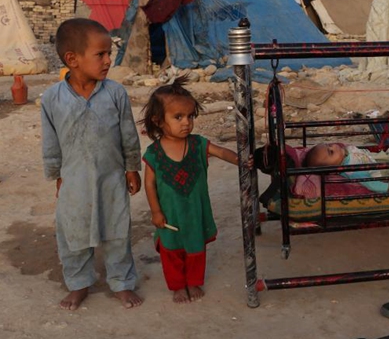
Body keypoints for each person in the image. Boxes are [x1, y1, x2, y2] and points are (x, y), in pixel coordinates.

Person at [41, 18, 144, 310]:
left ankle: (122, 283)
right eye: (100, 54)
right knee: (73, 234)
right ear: (72, 59)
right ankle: (79, 284)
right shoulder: (52, 98)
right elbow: (50, 142)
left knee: (117, 231)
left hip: (112, 178)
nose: (108, 60)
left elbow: (127, 133)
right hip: (73, 180)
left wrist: (131, 167)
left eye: (108, 53)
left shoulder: (115, 93)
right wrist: (55, 174)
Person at [140, 77, 251, 304]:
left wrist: (242, 161)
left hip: (194, 211)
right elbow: (149, 184)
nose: (186, 123)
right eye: (178, 117)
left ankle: (193, 282)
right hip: (169, 214)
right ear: (158, 120)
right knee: (171, 251)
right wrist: (155, 212)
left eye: (190, 116)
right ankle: (178, 286)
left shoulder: (198, 144)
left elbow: (221, 152)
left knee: (195, 248)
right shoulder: (153, 153)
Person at [304, 143, 389, 193]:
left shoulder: (345, 154)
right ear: (331, 169)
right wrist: (387, 187)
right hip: (384, 170)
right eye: (331, 152)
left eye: (329, 145)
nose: (334, 146)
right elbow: (370, 183)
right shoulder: (351, 170)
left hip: (380, 159)